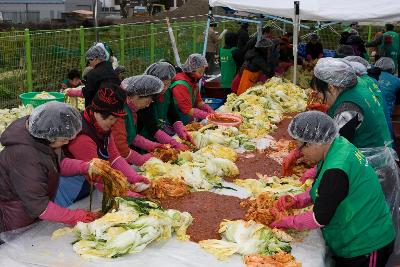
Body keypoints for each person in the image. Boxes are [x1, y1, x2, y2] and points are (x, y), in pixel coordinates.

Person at [272, 111, 395, 267]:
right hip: (355, 234)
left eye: (300, 148)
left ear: (313, 143)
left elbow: (320, 217)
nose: (300, 154)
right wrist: (297, 201)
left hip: (366, 243)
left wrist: (287, 222)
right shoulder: (338, 145)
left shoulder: (336, 169)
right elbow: (327, 191)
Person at [0, 102, 107, 232]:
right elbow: (38, 206)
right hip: (14, 215)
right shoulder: (24, 156)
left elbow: (59, 163)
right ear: (48, 137)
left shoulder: (43, 136)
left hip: (31, 209)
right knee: (18, 245)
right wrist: (75, 216)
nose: (67, 142)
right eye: (64, 140)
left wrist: (86, 166)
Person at [56, 84, 149, 207]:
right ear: (98, 113)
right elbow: (96, 175)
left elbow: (114, 157)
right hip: (70, 190)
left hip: (87, 186)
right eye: (111, 119)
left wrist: (134, 177)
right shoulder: (82, 137)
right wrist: (124, 192)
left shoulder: (101, 126)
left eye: (115, 120)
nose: (113, 124)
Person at [113, 75, 188, 167]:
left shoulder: (132, 110)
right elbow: (121, 147)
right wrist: (141, 159)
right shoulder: (120, 112)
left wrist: (154, 146)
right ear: (137, 97)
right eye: (147, 101)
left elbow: (132, 136)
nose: (148, 105)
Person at [139, 62, 193, 145]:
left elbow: (172, 114)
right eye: (163, 84)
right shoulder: (144, 98)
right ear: (153, 82)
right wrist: (172, 142)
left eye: (168, 84)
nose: (165, 88)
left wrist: (180, 129)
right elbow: (151, 126)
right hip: (144, 141)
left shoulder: (167, 92)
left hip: (160, 137)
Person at [171, 54, 215, 124]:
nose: (201, 75)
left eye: (203, 72)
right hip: (177, 122)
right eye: (200, 72)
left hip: (187, 120)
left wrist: (210, 110)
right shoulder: (181, 85)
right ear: (191, 71)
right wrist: (208, 115)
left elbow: (198, 102)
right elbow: (188, 110)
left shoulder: (193, 81)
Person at [82, 43, 120, 107]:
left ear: (96, 59)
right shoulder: (111, 69)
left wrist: (77, 91)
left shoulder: (93, 74)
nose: (89, 63)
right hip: (113, 105)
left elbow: (88, 93)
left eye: (90, 60)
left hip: (98, 108)